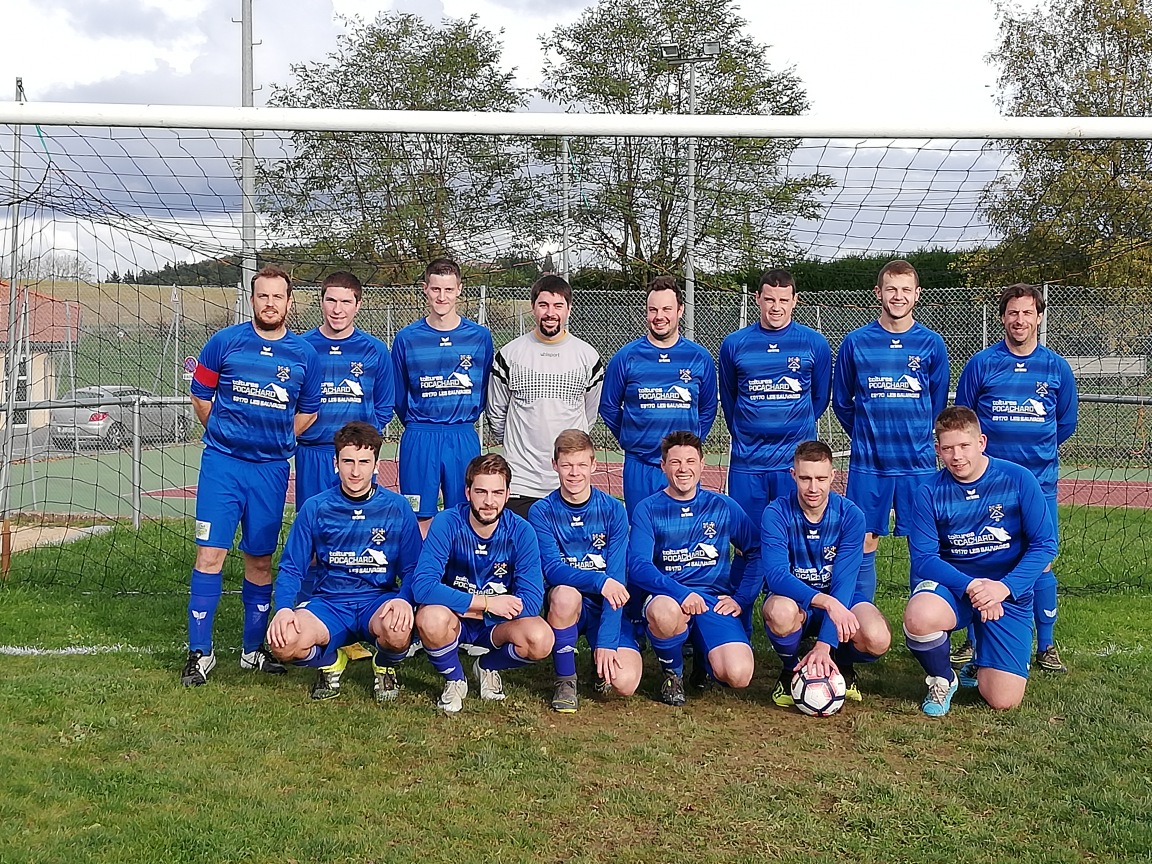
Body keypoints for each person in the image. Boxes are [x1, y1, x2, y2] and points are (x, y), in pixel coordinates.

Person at [182, 265, 321, 686]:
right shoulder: (224, 343)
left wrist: (278, 439)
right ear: (252, 299)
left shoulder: (304, 355)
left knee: (259, 558)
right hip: (223, 466)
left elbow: (310, 411)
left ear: (289, 302)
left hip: (271, 470)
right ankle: (199, 654)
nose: (270, 303)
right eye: (263, 296)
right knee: (210, 555)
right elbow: (200, 394)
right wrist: (223, 433)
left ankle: (252, 650)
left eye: (278, 297)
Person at [954, 283, 1077, 672]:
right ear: (1003, 317)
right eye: (1012, 313)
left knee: (1041, 560)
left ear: (1039, 317)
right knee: (980, 557)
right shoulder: (982, 364)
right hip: (986, 484)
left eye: (1027, 313)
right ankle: (974, 643)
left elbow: (1066, 423)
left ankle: (1047, 645)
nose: (1019, 320)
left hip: (1039, 482)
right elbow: (965, 420)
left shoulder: (1056, 368)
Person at [903, 406, 1057, 716]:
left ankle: (983, 660)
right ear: (937, 450)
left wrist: (1004, 588)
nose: (956, 455)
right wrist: (973, 586)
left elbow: (1045, 545)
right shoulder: (928, 492)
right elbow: (924, 559)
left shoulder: (1018, 479)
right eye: (947, 448)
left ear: (981, 442)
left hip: (1006, 593)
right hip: (955, 588)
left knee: (1003, 700)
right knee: (919, 616)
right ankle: (943, 678)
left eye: (964, 446)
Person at [266, 422, 422, 701]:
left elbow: (412, 569)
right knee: (283, 643)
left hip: (377, 601)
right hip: (329, 604)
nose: (355, 470)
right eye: (348, 461)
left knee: (399, 632)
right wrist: (283, 609)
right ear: (335, 463)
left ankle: (384, 665)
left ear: (376, 465)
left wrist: (404, 599)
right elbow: (292, 567)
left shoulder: (397, 507)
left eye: (364, 462)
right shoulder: (316, 507)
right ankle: (330, 660)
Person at [832, 260, 950, 600]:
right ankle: (857, 621)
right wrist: (867, 435)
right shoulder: (856, 342)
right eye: (891, 289)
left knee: (924, 542)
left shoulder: (932, 343)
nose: (898, 296)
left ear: (917, 295)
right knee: (864, 539)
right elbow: (842, 400)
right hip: (870, 463)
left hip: (918, 464)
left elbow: (937, 404)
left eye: (905, 290)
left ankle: (922, 626)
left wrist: (915, 434)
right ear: (878, 292)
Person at [410, 454, 554, 712]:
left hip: (496, 625)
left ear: (508, 494)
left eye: (497, 492)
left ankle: (487, 666)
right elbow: (422, 585)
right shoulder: (447, 522)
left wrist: (483, 610)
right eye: (481, 491)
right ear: (467, 492)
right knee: (429, 619)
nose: (489, 501)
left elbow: (532, 601)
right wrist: (485, 603)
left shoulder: (521, 531)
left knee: (541, 639)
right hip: (456, 617)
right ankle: (455, 679)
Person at [628, 430, 762, 706]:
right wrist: (679, 592)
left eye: (690, 461)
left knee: (739, 675)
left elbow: (756, 551)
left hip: (713, 599)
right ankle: (672, 673)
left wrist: (741, 598)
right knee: (664, 612)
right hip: (669, 597)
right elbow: (638, 565)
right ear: (663, 466)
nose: (683, 469)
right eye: (675, 462)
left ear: (703, 464)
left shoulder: (723, 506)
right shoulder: (648, 509)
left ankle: (704, 659)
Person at [760, 440, 891, 708]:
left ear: (833, 476)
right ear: (793, 475)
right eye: (805, 478)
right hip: (796, 599)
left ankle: (841, 663)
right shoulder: (775, 513)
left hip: (841, 597)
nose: (813, 487)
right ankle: (791, 670)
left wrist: (824, 644)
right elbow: (776, 576)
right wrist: (825, 601)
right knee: (779, 613)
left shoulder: (851, 515)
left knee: (878, 638)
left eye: (821, 478)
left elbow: (843, 582)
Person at [296, 272, 394, 600]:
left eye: (346, 302)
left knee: (358, 534)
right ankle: (308, 606)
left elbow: (384, 404)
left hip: (356, 457)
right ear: (321, 301)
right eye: (331, 300)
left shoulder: (375, 350)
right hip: (313, 454)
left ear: (358, 305)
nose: (338, 309)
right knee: (314, 534)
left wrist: (364, 441)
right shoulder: (302, 347)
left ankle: (358, 604)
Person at [527, 429, 640, 713]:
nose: (574, 473)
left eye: (580, 465)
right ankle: (565, 680)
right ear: (555, 466)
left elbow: (617, 581)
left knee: (624, 683)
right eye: (566, 465)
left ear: (593, 465)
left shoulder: (614, 510)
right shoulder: (542, 511)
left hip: (606, 605)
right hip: (571, 604)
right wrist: (599, 581)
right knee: (564, 594)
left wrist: (607, 641)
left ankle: (599, 662)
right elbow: (553, 569)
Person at [719, 269, 832, 527]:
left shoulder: (814, 343)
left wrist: (791, 426)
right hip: (748, 462)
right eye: (770, 300)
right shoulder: (734, 344)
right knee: (747, 543)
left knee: (793, 536)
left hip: (793, 464)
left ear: (795, 300)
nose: (776, 307)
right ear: (758, 298)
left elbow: (820, 398)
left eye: (783, 300)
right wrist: (748, 428)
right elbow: (729, 398)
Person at [487, 275, 604, 519]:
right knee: (522, 555)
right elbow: (496, 414)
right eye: (544, 305)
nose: (550, 313)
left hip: (567, 484)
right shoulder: (510, 355)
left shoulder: (587, 357)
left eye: (558, 305)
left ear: (569, 309)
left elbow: (589, 414)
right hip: (521, 483)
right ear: (533, 307)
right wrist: (516, 448)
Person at [599, 276, 717, 516]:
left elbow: (708, 408)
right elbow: (609, 406)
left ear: (680, 310)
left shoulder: (699, 358)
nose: (659, 316)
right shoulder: (626, 357)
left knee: (682, 534)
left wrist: (689, 444)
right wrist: (630, 437)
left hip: (681, 466)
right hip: (640, 466)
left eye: (666, 309)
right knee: (642, 532)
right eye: (653, 309)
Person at [392, 258, 494, 535]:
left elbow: (483, 387)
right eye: (436, 289)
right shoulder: (406, 338)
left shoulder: (479, 337)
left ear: (459, 290)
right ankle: (419, 577)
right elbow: (399, 395)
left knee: (464, 514)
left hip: (461, 434)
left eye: (448, 290)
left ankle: (455, 576)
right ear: (425, 289)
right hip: (420, 434)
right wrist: (419, 422)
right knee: (418, 517)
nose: (442, 297)